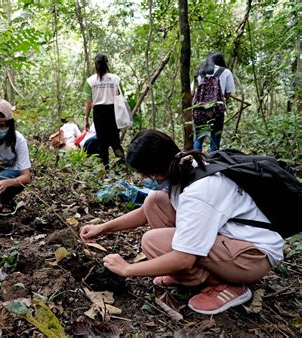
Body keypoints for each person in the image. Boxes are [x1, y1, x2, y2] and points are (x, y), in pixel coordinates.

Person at [80, 129, 283, 315]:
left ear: (157, 171)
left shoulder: (200, 190)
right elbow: (145, 213)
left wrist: (127, 269)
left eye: (144, 174)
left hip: (252, 256)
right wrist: (102, 228)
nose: (143, 180)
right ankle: (191, 276)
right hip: (231, 239)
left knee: (152, 241)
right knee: (154, 201)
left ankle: (224, 285)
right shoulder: (184, 167)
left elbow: (184, 257)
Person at [84, 53, 125, 167]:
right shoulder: (115, 79)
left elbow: (88, 102)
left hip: (99, 113)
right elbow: (121, 96)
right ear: (107, 64)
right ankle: (121, 166)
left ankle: (105, 167)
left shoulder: (90, 81)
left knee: (102, 142)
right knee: (115, 141)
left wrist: (86, 119)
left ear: (95, 64)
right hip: (113, 111)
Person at [192, 52, 235, 152]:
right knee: (215, 140)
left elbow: (192, 92)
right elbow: (228, 94)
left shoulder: (199, 72)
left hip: (199, 110)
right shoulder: (226, 72)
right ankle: (213, 163)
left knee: (198, 138)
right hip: (217, 110)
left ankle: (195, 161)